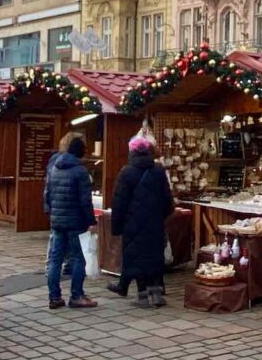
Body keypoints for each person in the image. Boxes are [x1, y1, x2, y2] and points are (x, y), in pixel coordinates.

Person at [108, 135, 174, 307]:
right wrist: (163, 216)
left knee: (136, 258)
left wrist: (116, 226)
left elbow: (119, 202)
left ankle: (142, 296)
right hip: (154, 223)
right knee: (153, 256)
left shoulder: (126, 172)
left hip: (133, 225)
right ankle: (157, 294)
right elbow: (167, 199)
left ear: (131, 152)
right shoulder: (158, 170)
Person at [44, 132, 97, 309]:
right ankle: (77, 295)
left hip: (57, 221)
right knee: (78, 258)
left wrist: (51, 213)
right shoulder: (80, 171)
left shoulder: (55, 167)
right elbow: (85, 200)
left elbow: (47, 194)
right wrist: (91, 221)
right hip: (76, 222)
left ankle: (54, 297)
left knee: (55, 259)